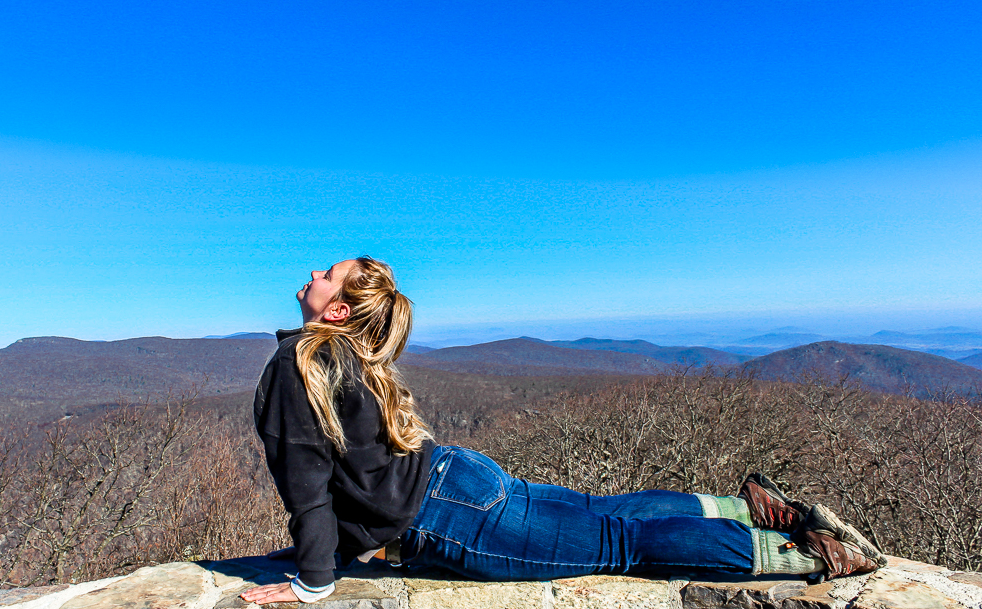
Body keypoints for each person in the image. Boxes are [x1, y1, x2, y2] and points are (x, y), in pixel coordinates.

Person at [241, 257, 887, 606]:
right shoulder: (344, 356)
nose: (313, 269)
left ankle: (804, 551)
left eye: (326, 270)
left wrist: (312, 583)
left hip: (446, 515)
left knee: (620, 541)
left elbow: (311, 489)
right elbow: (339, 477)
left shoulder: (298, 362)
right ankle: (747, 509)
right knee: (608, 515)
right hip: (458, 475)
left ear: (338, 308)